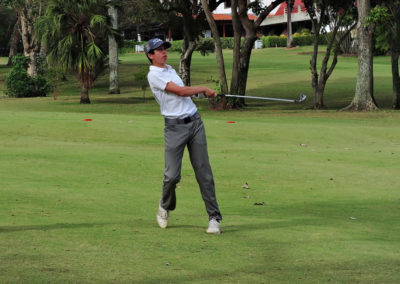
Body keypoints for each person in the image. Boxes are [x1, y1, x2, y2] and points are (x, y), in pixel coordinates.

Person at [145, 38, 222, 234]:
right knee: (171, 176)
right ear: (150, 55)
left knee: (204, 172)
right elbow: (179, 91)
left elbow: (184, 94)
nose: (163, 52)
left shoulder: (170, 69)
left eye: (164, 49)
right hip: (174, 128)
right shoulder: (154, 75)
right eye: (158, 50)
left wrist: (199, 94)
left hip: (195, 123)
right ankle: (164, 206)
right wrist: (203, 89)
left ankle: (214, 218)